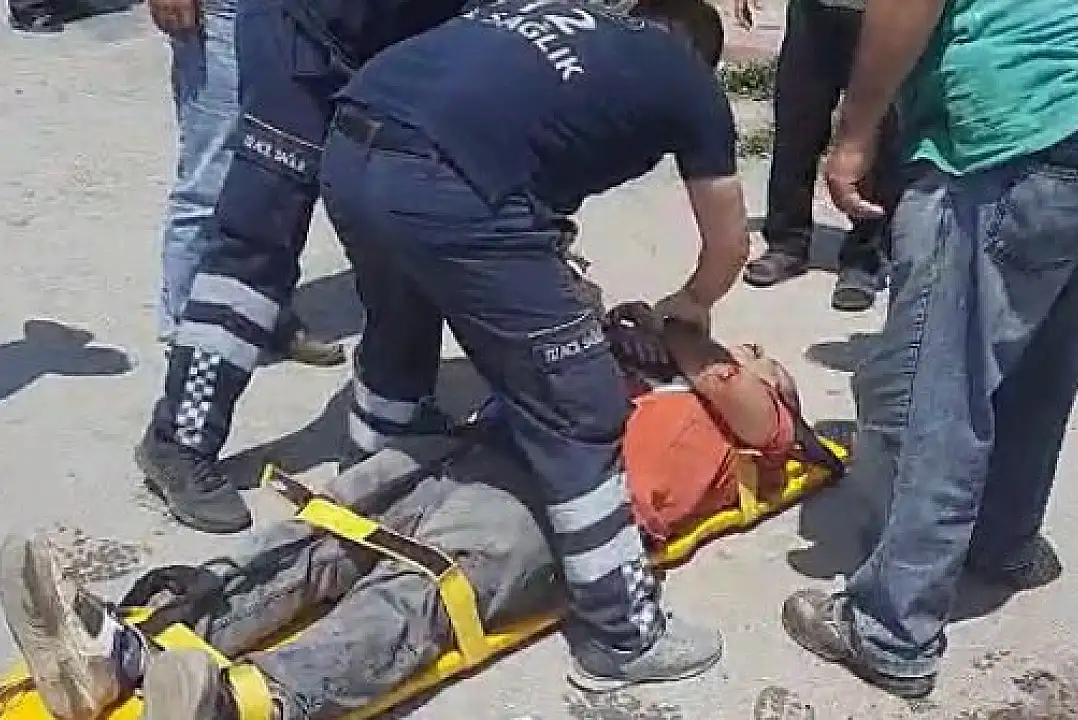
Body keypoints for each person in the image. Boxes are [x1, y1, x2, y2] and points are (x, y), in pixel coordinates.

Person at [0, 316, 837, 719]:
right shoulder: (636, 365)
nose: (751, 352)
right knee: (322, 534)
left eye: (766, 358)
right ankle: (125, 652)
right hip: (472, 454)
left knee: (420, 589)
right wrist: (619, 335)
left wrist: (689, 338)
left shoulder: (752, 428)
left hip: (563, 507)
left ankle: (243, 703)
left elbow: (742, 396)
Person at [316, 0, 749, 691]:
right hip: (444, 181)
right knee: (579, 402)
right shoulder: (685, 73)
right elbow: (729, 245)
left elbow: (526, 165)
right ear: (700, 53)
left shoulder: (568, 26)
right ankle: (622, 633)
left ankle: (365, 502)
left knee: (400, 326)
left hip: (351, 141)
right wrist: (690, 303)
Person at [777, 0, 1078, 699]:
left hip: (1025, 110)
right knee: (1050, 355)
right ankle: (1002, 540)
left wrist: (855, 134)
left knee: (943, 373)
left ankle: (892, 627)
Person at [133, 0, 489, 536]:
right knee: (257, 238)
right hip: (299, 34)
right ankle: (179, 438)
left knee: (401, 226)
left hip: (407, 47)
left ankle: (391, 424)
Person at [148, 0, 346, 367]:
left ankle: (263, 313)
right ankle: (190, 332)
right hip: (226, 12)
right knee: (212, 179)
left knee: (282, 171)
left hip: (306, 14)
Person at [734, 0, 899, 313]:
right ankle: (787, 242)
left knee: (878, 133)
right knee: (796, 124)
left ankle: (866, 255)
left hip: (881, 15)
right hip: (813, 12)